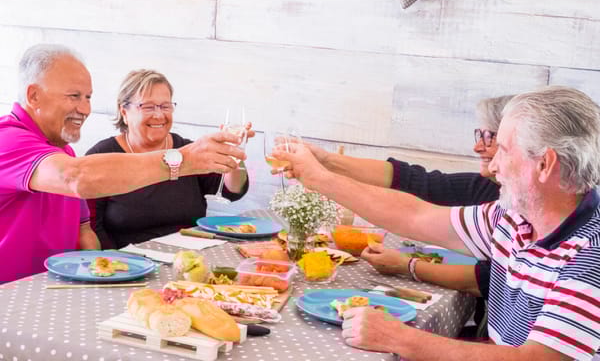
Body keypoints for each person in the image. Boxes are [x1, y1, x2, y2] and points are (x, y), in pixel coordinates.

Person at [275, 86, 600, 360]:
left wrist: (399, 339)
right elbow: (414, 215)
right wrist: (319, 177)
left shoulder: (591, 255)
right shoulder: (513, 218)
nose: (492, 166)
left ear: (544, 164)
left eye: (502, 149)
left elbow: (537, 360)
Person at [0, 44, 246, 283]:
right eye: (74, 96)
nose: (85, 109)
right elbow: (77, 178)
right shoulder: (8, 140)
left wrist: (100, 278)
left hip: (56, 287)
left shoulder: (62, 149)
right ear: (34, 96)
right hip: (12, 296)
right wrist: (183, 160)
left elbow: (84, 232)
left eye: (88, 97)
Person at [86, 70, 250, 249]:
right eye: (148, 107)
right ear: (124, 111)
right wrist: (116, 264)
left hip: (189, 260)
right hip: (128, 265)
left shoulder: (188, 150)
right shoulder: (101, 157)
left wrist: (233, 151)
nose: (159, 115)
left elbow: (232, 191)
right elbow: (90, 226)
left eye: (165, 106)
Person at [301, 95, 512, 207]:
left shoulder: (511, 206)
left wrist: (411, 267)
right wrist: (326, 160)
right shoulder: (485, 187)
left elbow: (413, 217)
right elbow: (415, 181)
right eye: (479, 135)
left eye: (489, 137)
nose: (477, 147)